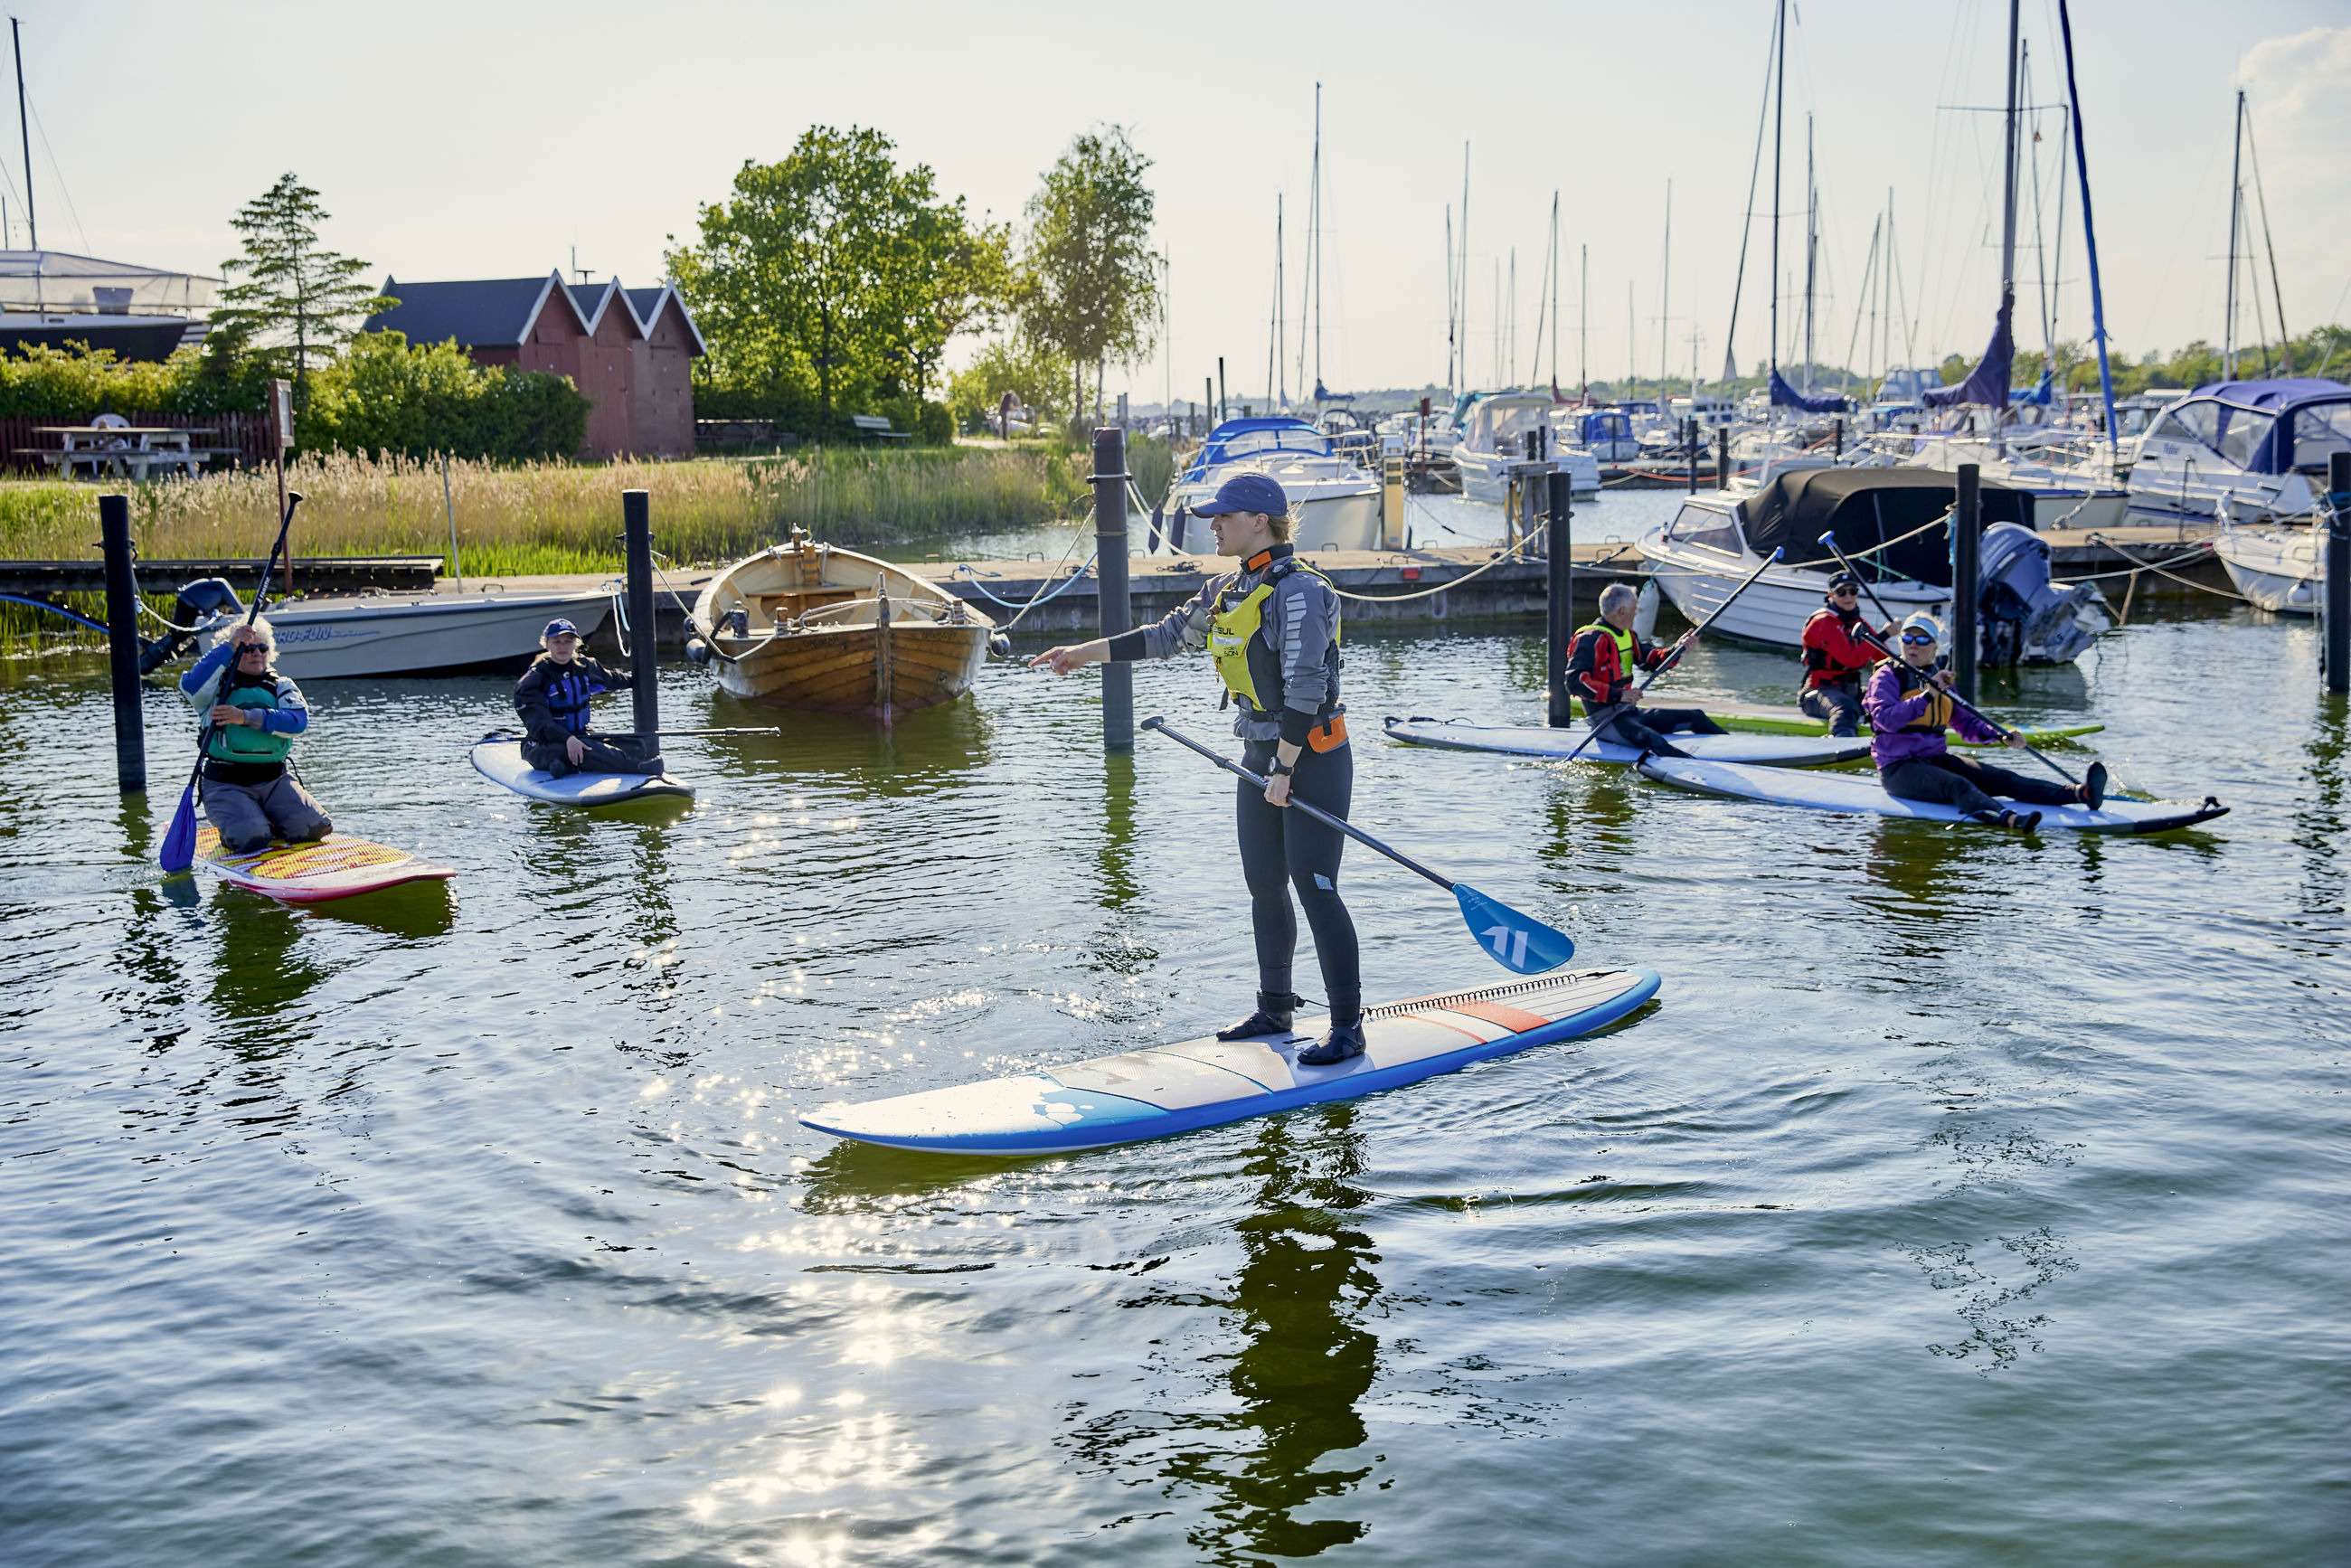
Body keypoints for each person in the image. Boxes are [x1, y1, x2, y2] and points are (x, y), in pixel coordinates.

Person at [1029, 472, 1366, 1066]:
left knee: (1317, 890)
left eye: (1223, 517)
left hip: (1311, 756)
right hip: (1260, 756)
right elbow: (1163, 638)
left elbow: (1308, 686)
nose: (1212, 525)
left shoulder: (1301, 592)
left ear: (1259, 522)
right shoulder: (1226, 591)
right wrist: (1082, 654)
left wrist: (1285, 770)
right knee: (1265, 886)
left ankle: (1346, 1029)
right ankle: (1276, 1009)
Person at [1863, 612, 2107, 832]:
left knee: (2003, 778)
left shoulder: (1941, 679)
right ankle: (2008, 819)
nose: (1913, 645)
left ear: (1935, 647)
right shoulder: (1887, 676)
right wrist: (1929, 695)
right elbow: (1886, 720)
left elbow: (1968, 724)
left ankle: (2079, 793)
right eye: (1907, 639)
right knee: (1959, 785)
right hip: (1898, 768)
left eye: (1922, 640)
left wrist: (2000, 735)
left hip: (1935, 760)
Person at [179, 620, 332, 854]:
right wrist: (230, 645)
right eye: (248, 649)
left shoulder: (282, 686)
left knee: (314, 828)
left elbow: (297, 723)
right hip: (226, 784)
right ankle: (239, 825)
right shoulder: (212, 691)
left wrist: (245, 717)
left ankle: (264, 818)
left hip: (274, 781)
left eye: (262, 648)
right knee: (252, 838)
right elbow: (190, 684)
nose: (257, 654)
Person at [1566, 582, 1724, 758]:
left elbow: (1652, 660)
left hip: (1631, 712)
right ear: (1622, 612)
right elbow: (1574, 682)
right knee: (1654, 740)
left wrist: (1678, 648)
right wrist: (1619, 696)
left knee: (1696, 716)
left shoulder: (1627, 635)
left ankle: (1733, 750)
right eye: (1635, 609)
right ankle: (1698, 773)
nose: (1636, 613)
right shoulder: (1589, 640)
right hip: (1606, 722)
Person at [514, 619, 661, 777]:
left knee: (636, 746)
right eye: (557, 642)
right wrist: (568, 739)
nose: (562, 647)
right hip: (544, 744)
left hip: (581, 734)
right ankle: (638, 768)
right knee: (587, 750)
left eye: (567, 642)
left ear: (575, 644)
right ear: (547, 645)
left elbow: (613, 679)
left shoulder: (585, 666)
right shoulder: (532, 681)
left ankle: (565, 766)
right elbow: (539, 724)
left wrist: (642, 683)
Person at [1799, 573, 1896, 737]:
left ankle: (1900, 738)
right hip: (1818, 693)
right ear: (1831, 595)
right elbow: (1851, 660)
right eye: (1841, 592)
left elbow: (1883, 657)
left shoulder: (1859, 623)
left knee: (1887, 697)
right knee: (1845, 708)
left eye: (1853, 591)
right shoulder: (1823, 622)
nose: (1848, 596)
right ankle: (1839, 745)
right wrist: (1884, 634)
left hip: (1851, 691)